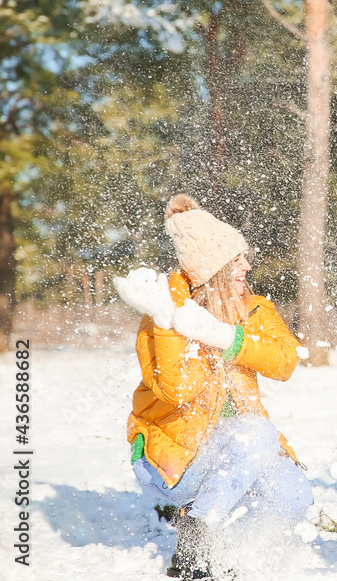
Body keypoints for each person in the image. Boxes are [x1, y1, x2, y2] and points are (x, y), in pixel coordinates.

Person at [114, 194, 312, 580]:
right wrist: (169, 322)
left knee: (295, 495)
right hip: (176, 462)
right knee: (256, 432)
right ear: (213, 267)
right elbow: (177, 390)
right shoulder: (161, 311)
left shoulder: (253, 310)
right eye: (237, 260)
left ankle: (224, 555)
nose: (247, 267)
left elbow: (285, 361)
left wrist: (227, 338)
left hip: (238, 452)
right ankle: (196, 537)